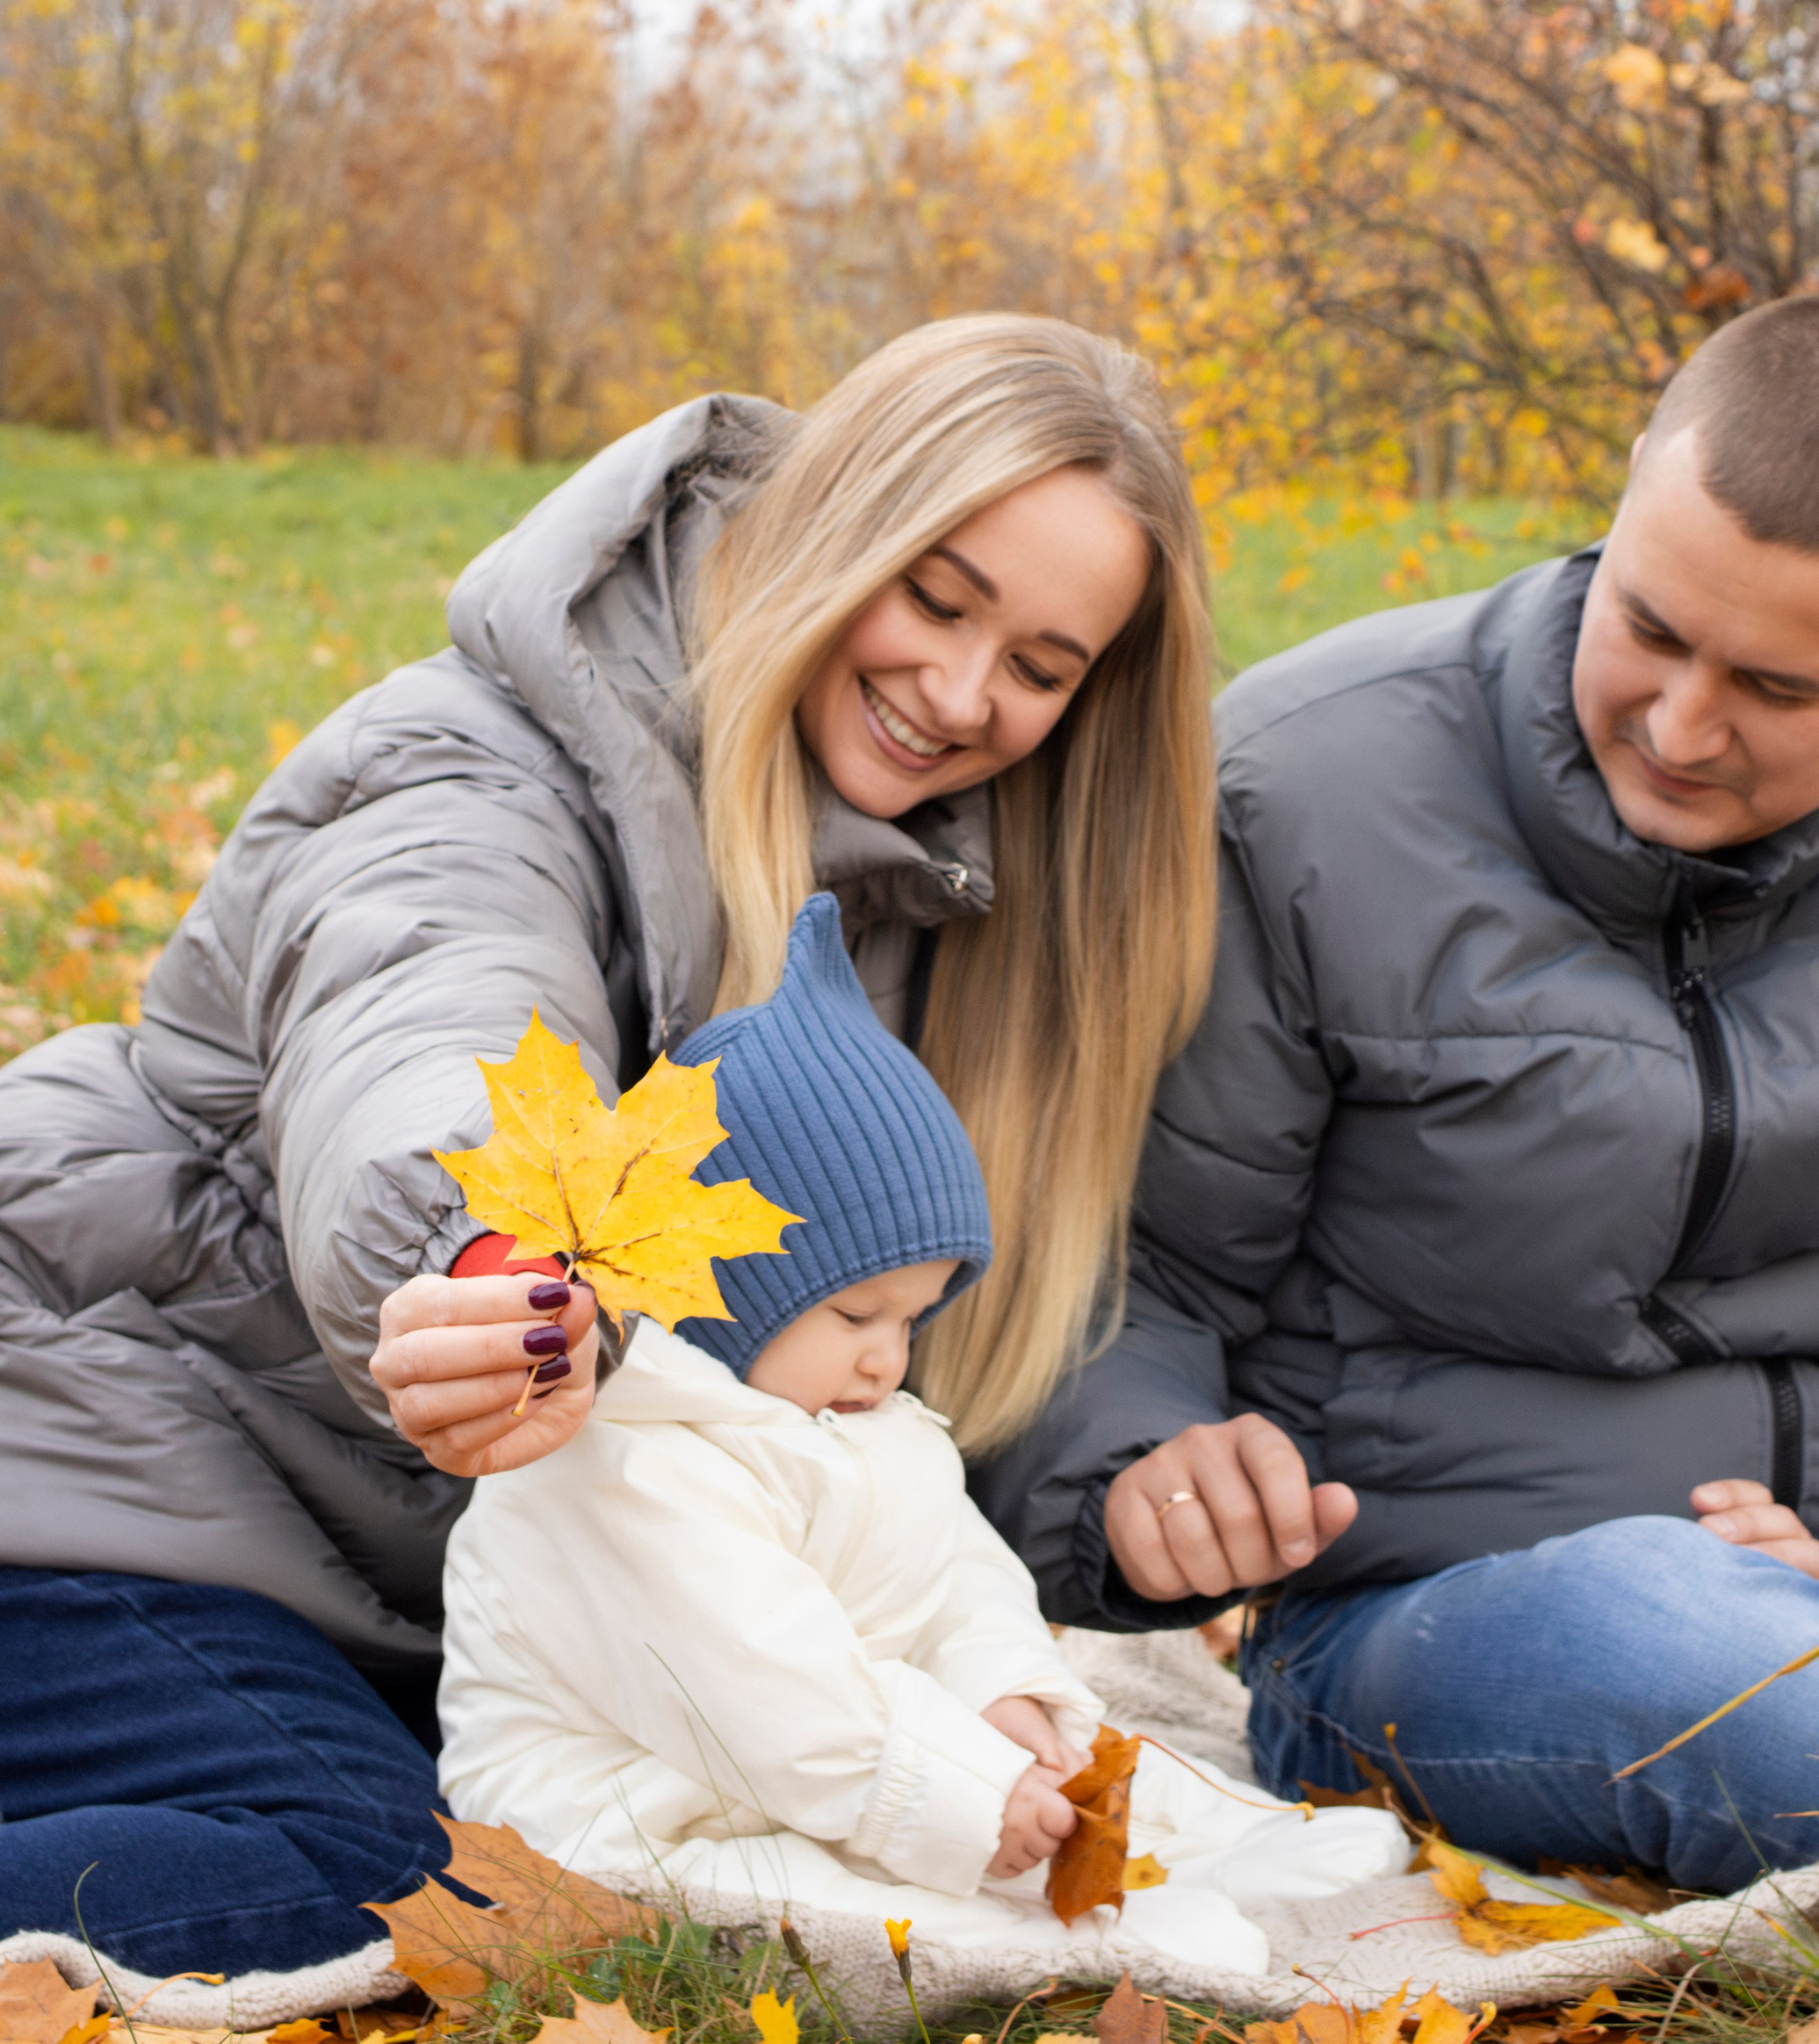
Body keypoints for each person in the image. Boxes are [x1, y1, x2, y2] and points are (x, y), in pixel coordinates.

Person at [979, 296, 1819, 1891]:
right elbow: (1111, 1255)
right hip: (1465, 1626)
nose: (1679, 724)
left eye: (1777, 690)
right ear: (1634, 488)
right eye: (1650, 625)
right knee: (1692, 1650)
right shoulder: (1297, 790)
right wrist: (1133, 1468)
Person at [0, 315, 1217, 1976]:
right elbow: (436, 1010)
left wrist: (1135, 1485)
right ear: (825, 527)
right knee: (382, 1876)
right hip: (90, 1481)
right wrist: (498, 1273)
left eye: (1041, 665)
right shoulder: (473, 767)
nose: (960, 692)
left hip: (362, 1588)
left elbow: (904, 1387)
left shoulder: (944, 901)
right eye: (935, 598)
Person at [439, 891, 1408, 1980]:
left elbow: (956, 1575)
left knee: (1060, 1766)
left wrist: (1006, 1695)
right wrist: (958, 1795)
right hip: (638, 1813)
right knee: (825, 1910)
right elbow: (768, 1685)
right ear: (722, 1293)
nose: (888, 1359)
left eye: (914, 1318)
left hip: (836, 1773)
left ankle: (1207, 1844)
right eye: (857, 1316)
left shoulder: (862, 1425)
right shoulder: (626, 1459)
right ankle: (1068, 1942)